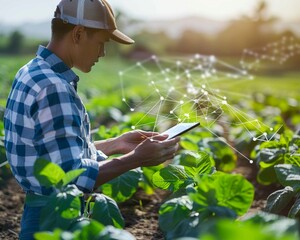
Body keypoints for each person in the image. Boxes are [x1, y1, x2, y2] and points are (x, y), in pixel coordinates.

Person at [3, 0, 180, 239]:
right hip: (55, 217)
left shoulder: (32, 71)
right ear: (78, 33)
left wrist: (114, 144)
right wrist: (135, 159)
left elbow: (51, 153)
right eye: (101, 43)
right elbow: (71, 175)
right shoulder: (53, 87)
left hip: (42, 210)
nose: (103, 52)